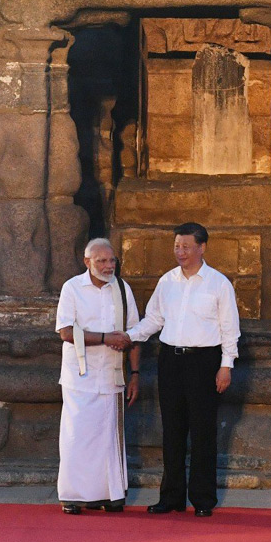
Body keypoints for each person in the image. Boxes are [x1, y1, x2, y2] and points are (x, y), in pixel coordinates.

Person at [123, 222, 240, 518]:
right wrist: (129, 336)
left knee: (202, 431)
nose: (180, 252)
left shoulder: (218, 283)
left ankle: (202, 499)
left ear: (202, 248)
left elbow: (230, 330)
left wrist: (226, 366)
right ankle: (171, 496)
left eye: (186, 246)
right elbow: (154, 320)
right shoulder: (167, 281)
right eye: (177, 246)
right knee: (172, 430)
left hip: (204, 362)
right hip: (171, 360)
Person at [55, 237, 140, 514]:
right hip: (80, 375)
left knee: (108, 437)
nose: (108, 265)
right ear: (87, 261)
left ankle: (110, 494)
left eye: (111, 260)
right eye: (101, 260)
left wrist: (135, 373)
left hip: (111, 375)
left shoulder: (122, 289)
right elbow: (66, 332)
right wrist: (106, 338)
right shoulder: (72, 288)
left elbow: (134, 334)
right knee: (77, 435)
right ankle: (73, 496)